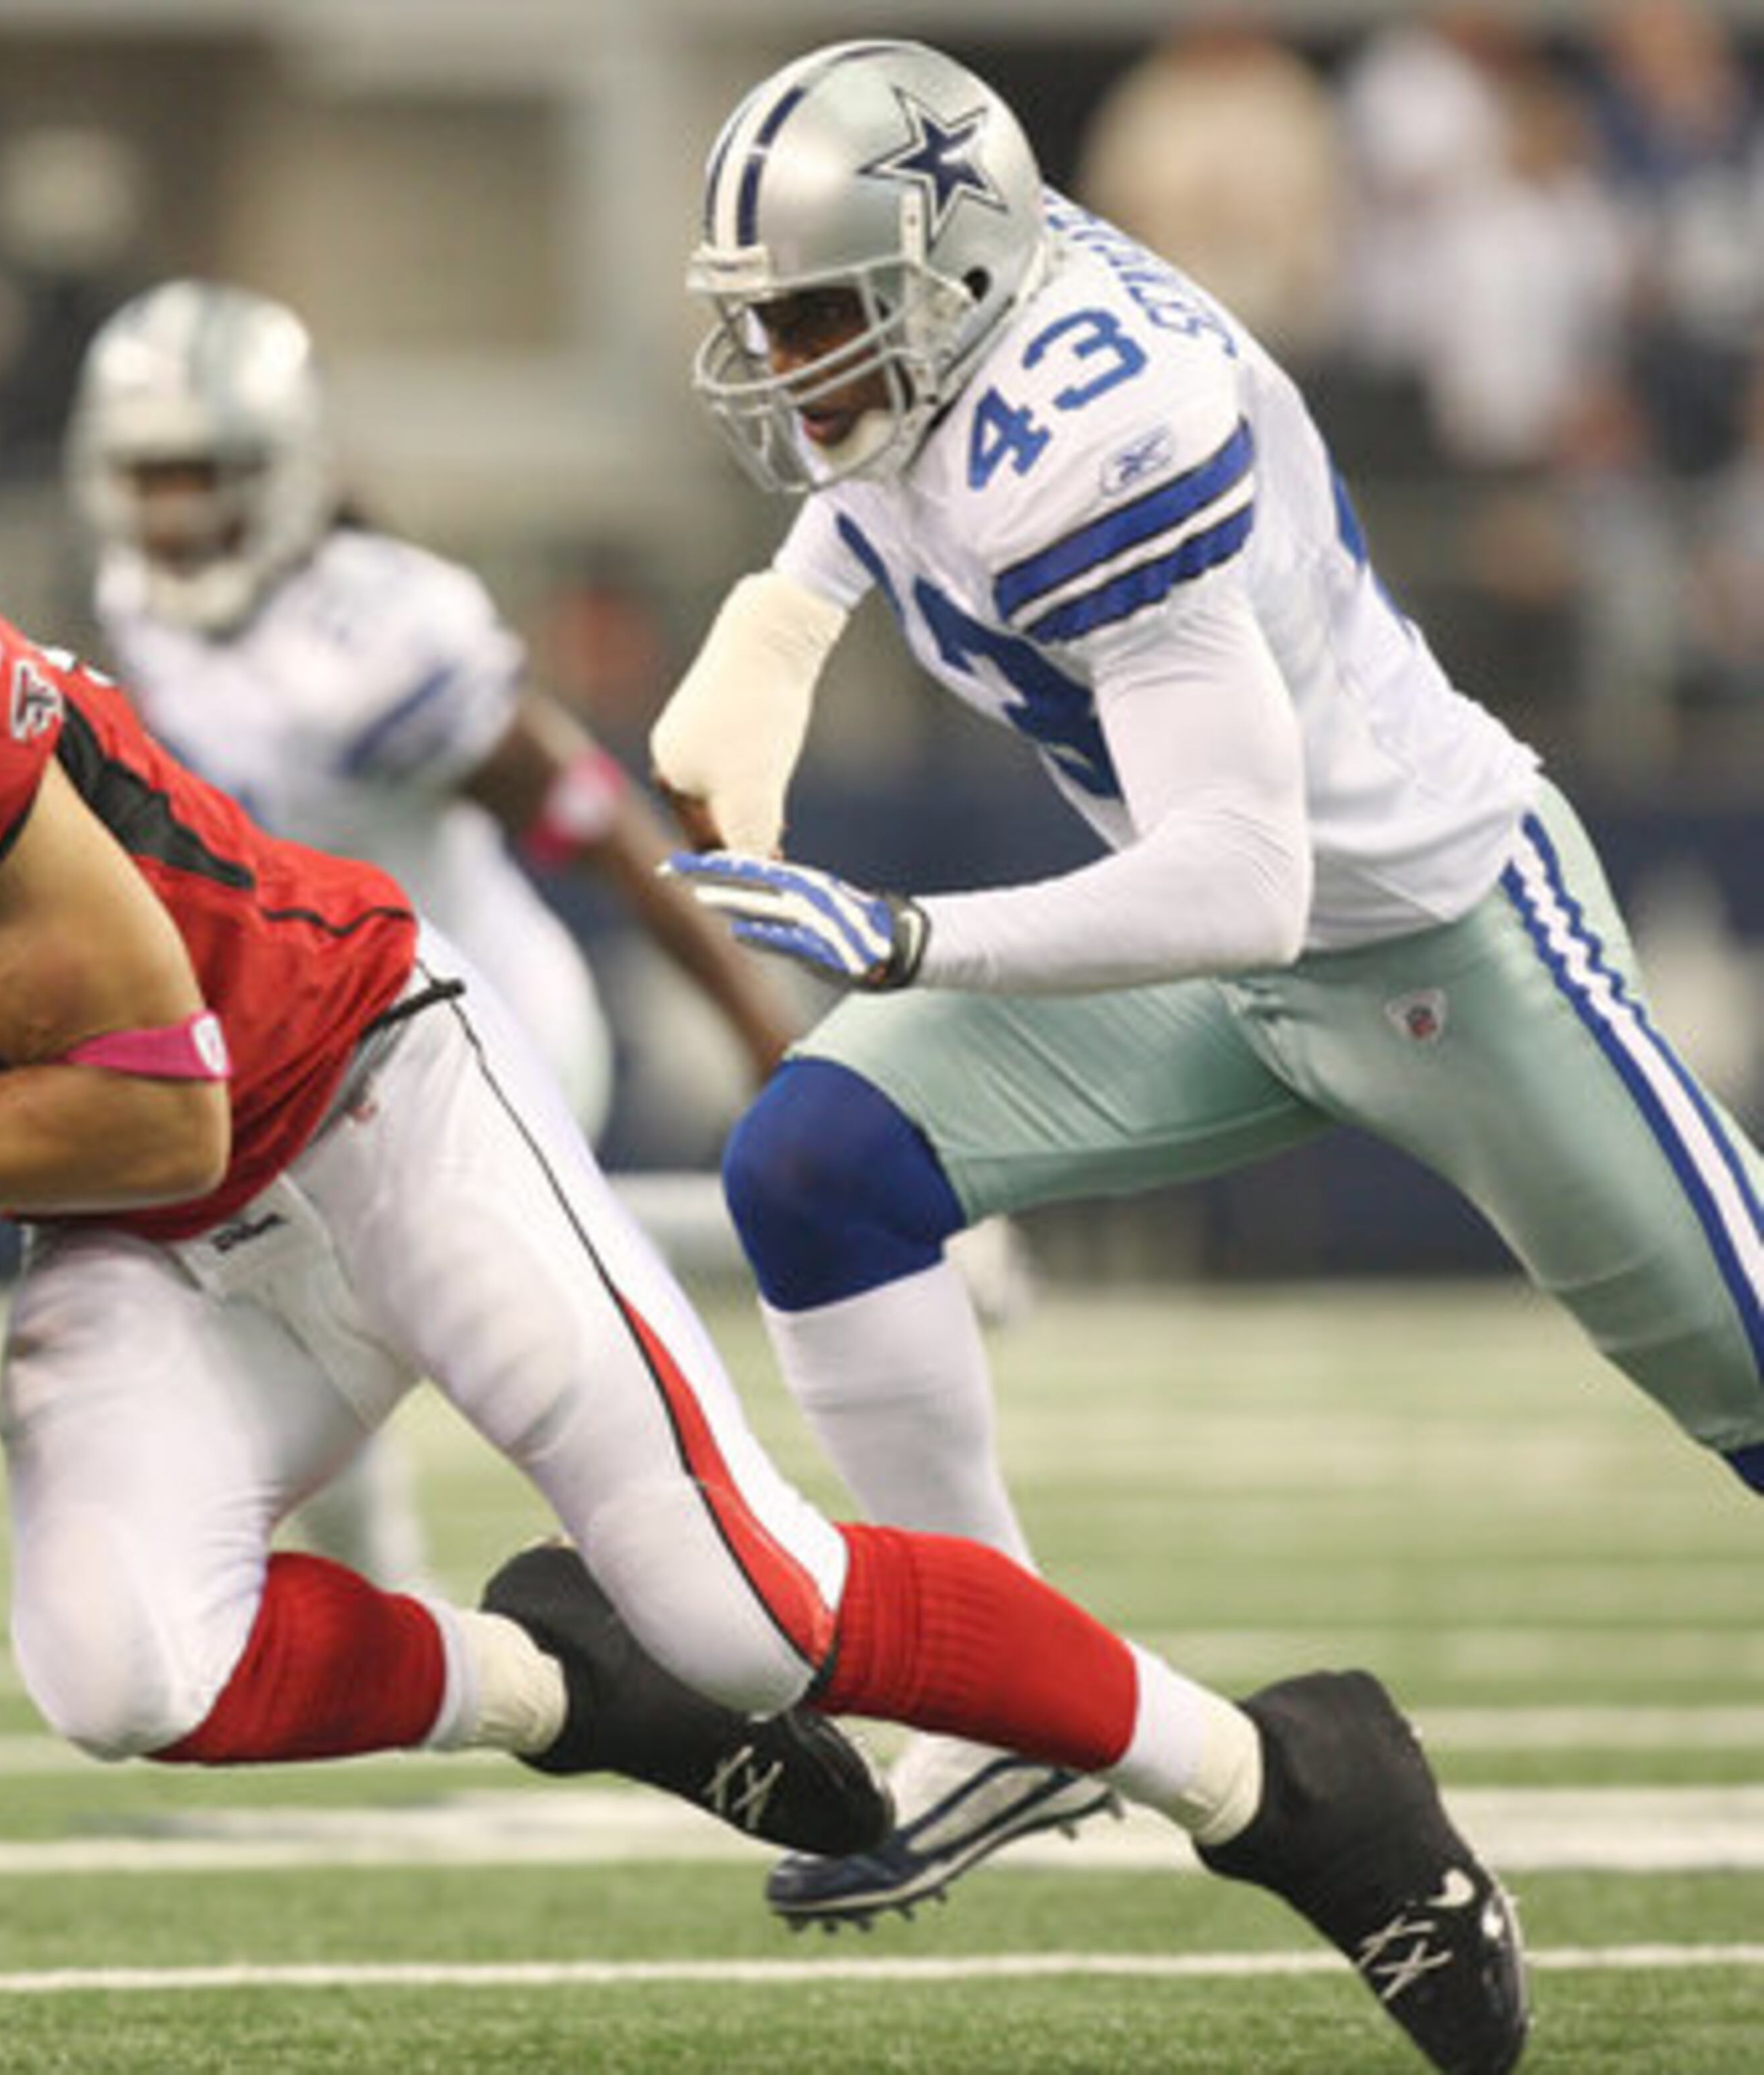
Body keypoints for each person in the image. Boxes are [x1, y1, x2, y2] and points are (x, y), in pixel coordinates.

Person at [0, 414, 1526, 2075]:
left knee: (760, 1598)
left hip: (363, 1090)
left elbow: (158, 1090)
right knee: (119, 1665)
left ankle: (1287, 1775)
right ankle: (563, 1681)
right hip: (148, 1250)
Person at [651, 36, 1764, 1937]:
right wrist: (785, 620)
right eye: (765, 327)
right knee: (815, 1165)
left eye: (820, 319)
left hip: (1442, 945)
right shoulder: (970, 311)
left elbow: (1247, 883)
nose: (786, 370)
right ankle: (1000, 1690)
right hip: (1219, 958)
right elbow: (882, 474)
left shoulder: (1103, 436)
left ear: (947, 279)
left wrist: (916, 937)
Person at [63, 276, 804, 1582]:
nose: (172, 512)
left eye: (204, 473)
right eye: (149, 475)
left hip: (481, 1020)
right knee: (284, 1334)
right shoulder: (138, 604)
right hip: (311, 1049)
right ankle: (388, 1625)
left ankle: (859, 1242)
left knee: (483, 1340)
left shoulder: (391, 633)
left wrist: (763, 1036)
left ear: (284, 467)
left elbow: (603, 828)